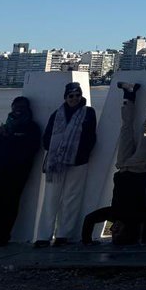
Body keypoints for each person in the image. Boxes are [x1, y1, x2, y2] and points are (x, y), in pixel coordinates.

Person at [80, 82, 146, 246]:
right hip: (139, 167)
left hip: (122, 165)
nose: (112, 229)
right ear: (127, 232)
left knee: (125, 128)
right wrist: (145, 240)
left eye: (112, 232)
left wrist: (87, 241)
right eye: (117, 231)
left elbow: (89, 219)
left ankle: (129, 95)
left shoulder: (113, 214)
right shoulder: (137, 215)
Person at [35, 82, 97, 247]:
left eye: (77, 95)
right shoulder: (57, 114)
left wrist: (79, 152)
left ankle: (63, 234)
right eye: (71, 96)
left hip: (78, 161)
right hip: (56, 163)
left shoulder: (88, 113)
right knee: (51, 198)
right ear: (66, 97)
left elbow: (90, 136)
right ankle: (43, 235)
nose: (74, 99)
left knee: (72, 197)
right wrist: (56, 148)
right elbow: (47, 136)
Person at [0, 96, 42, 247]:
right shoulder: (5, 127)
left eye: (21, 107)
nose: (17, 111)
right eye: (15, 107)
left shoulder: (31, 128)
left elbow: (30, 150)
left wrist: (12, 142)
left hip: (16, 174)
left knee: (10, 203)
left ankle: (2, 235)